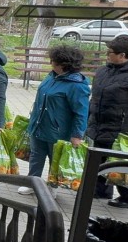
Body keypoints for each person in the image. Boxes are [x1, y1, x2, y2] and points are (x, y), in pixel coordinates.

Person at [87, 35, 128, 208]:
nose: (107, 55)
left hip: (121, 127)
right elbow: (94, 97)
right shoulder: (104, 70)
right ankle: (101, 190)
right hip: (99, 122)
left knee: (119, 162)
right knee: (99, 157)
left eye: (110, 52)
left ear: (122, 55)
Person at [20, 46, 90, 195]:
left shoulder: (77, 85)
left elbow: (81, 112)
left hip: (58, 132)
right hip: (39, 126)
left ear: (63, 64)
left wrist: (77, 135)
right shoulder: (52, 76)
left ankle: (53, 187)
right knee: (36, 157)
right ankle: (32, 183)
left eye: (53, 61)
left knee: (55, 160)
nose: (51, 63)